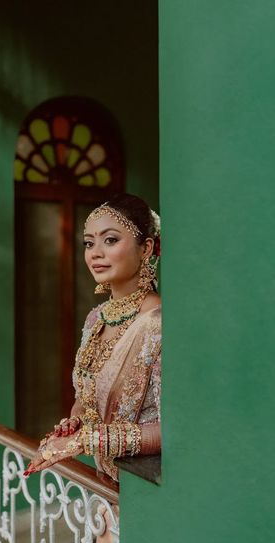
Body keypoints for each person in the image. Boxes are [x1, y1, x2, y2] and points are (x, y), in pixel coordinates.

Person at [24, 193, 161, 482]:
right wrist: (76, 423)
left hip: (147, 495)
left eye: (110, 240)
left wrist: (84, 441)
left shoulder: (161, 324)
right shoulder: (96, 318)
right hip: (103, 490)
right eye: (89, 243)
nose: (95, 253)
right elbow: (85, 398)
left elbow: (176, 431)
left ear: (146, 248)